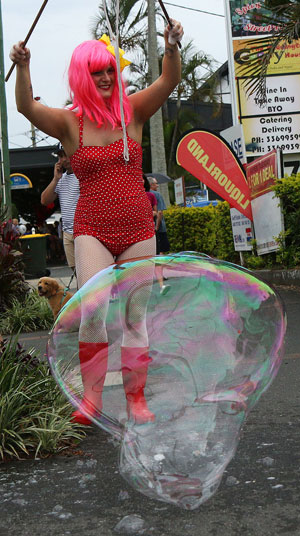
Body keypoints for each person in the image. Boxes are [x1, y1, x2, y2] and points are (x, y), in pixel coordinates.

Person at [10, 21, 183, 425]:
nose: (106, 77)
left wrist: (172, 46)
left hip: (139, 229)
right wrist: (22, 66)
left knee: (135, 316)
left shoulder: (134, 110)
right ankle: (91, 401)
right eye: (96, 72)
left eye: (110, 69)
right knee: (93, 310)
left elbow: (169, 79)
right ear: (82, 78)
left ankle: (137, 400)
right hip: (92, 230)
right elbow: (25, 107)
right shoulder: (71, 123)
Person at [40, 146, 80, 274]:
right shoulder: (61, 180)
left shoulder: (83, 176)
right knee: (75, 272)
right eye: (60, 156)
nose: (64, 159)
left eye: (66, 154)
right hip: (67, 233)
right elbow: (44, 200)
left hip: (84, 231)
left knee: (87, 271)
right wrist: (56, 178)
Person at [148, 176, 171, 254]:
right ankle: (160, 266)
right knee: (161, 250)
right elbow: (160, 212)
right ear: (151, 184)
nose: (157, 185)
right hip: (159, 228)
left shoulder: (143, 194)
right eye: (156, 184)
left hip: (148, 228)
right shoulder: (157, 195)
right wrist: (157, 227)